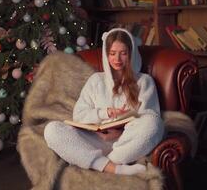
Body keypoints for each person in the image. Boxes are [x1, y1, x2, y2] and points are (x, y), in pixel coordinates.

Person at [44, 28, 164, 175]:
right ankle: (112, 168)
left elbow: (148, 116)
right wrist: (104, 113)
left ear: (131, 54)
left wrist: (119, 134)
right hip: (96, 141)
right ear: (106, 55)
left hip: (127, 143)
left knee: (153, 123)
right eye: (112, 53)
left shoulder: (144, 81)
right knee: (52, 129)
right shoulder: (96, 80)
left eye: (123, 53)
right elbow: (79, 115)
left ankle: (105, 163)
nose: (117, 59)